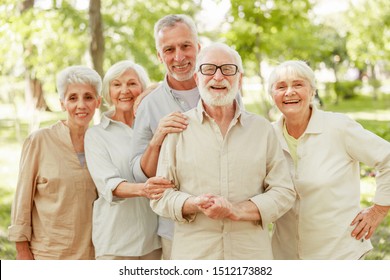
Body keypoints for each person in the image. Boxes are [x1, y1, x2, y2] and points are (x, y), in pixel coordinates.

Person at [150, 42, 296, 260]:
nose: (218, 77)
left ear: (240, 79)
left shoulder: (262, 130)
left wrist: (236, 211)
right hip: (194, 258)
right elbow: (160, 196)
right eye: (209, 69)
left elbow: (284, 192)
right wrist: (193, 204)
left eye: (227, 69)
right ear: (197, 78)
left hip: (250, 257)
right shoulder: (177, 129)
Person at [130, 14, 246, 260]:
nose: (179, 57)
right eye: (169, 50)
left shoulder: (227, 91)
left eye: (185, 46)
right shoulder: (150, 105)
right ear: (160, 56)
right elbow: (142, 174)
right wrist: (157, 139)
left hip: (233, 227)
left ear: (198, 48)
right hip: (179, 230)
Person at [268, 60, 390, 259]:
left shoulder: (338, 127)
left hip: (338, 253)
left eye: (298, 84)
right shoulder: (268, 135)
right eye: (281, 87)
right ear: (273, 96)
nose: (289, 92)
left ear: (312, 91)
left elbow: (387, 158)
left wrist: (379, 209)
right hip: (285, 255)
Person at [8, 65, 102, 260]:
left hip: (93, 254)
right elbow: (22, 201)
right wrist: (22, 251)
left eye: (88, 97)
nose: (81, 105)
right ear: (62, 103)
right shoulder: (39, 141)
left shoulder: (102, 143)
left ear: (98, 102)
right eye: (73, 98)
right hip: (48, 254)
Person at [84, 60, 173, 260]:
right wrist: (146, 189)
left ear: (142, 88)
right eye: (117, 84)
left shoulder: (154, 125)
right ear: (108, 92)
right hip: (116, 243)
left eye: (132, 84)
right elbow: (110, 185)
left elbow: (167, 87)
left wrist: (150, 92)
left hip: (154, 240)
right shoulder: (96, 135)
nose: (124, 90)